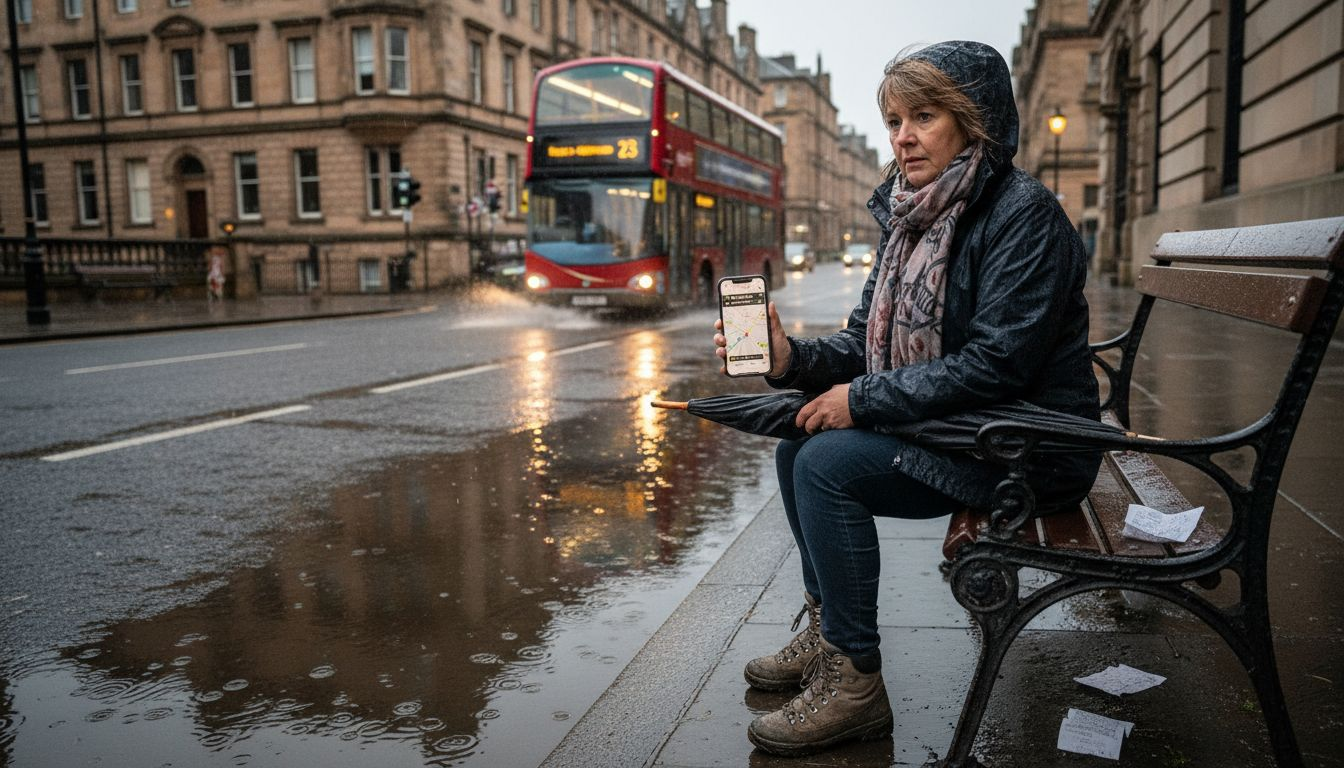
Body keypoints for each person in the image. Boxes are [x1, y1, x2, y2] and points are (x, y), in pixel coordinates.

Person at [712, 41, 1101, 757]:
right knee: (799, 439)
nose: (903, 136)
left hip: (1028, 444)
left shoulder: (1024, 214)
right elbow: (865, 339)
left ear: (975, 121)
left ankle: (856, 685)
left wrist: (859, 401)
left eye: (924, 116)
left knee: (827, 462)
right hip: (967, 429)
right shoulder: (910, 217)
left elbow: (998, 365)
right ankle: (833, 634)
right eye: (894, 119)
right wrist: (791, 359)